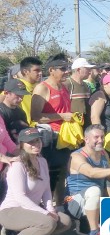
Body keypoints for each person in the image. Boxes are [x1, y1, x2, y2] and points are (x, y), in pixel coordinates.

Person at [0, 128, 71, 235]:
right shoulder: (17, 165)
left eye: (37, 140)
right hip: (10, 211)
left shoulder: (42, 161)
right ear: (21, 145)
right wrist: (45, 213)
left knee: (65, 221)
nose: (36, 144)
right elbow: (21, 197)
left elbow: (46, 190)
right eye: (30, 142)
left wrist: (50, 209)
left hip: (31, 211)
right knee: (47, 222)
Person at [66, 124, 110, 235]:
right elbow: (91, 172)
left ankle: (91, 223)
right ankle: (94, 234)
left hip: (94, 201)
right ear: (86, 139)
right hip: (74, 202)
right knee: (94, 190)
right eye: (96, 137)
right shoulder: (76, 156)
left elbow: (108, 178)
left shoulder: (103, 154)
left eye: (102, 137)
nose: (100, 140)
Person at [31, 54, 74, 208]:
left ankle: (60, 206)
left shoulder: (64, 87)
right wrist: (61, 116)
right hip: (48, 137)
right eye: (62, 69)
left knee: (63, 171)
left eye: (67, 68)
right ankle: (45, 207)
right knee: (49, 174)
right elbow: (35, 116)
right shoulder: (42, 88)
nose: (66, 72)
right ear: (51, 70)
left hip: (64, 137)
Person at [65, 58, 94, 124]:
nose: (90, 72)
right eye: (87, 69)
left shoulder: (86, 86)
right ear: (78, 70)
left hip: (86, 123)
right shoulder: (66, 84)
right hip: (73, 124)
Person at [17, 57, 43, 125]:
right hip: (25, 131)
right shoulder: (17, 86)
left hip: (40, 126)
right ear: (26, 71)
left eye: (41, 70)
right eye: (37, 70)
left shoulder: (40, 86)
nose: (40, 73)